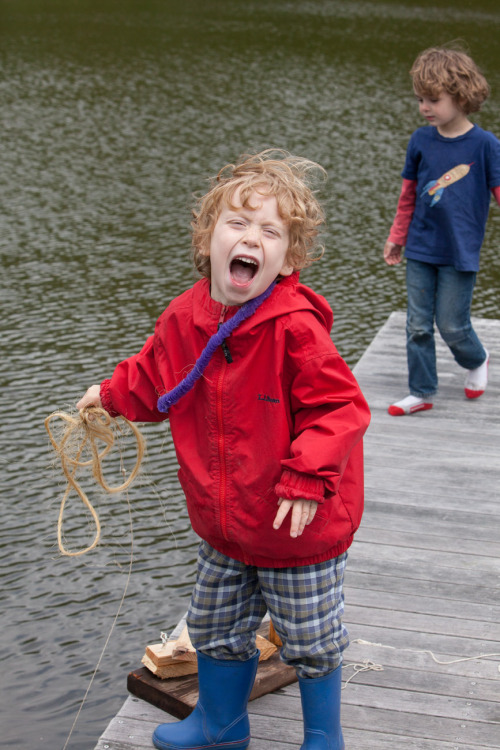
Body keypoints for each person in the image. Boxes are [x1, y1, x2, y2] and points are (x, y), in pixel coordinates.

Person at [77, 150, 370, 750]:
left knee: (310, 639)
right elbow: (154, 378)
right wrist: (108, 396)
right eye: (237, 222)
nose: (251, 238)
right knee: (213, 626)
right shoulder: (185, 318)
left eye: (271, 232)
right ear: (208, 236)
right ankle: (221, 723)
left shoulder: (294, 329)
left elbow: (339, 409)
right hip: (224, 524)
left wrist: (309, 477)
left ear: (287, 259)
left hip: (298, 527)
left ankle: (323, 737)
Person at [383, 45, 500, 416]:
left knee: (452, 324)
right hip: (420, 247)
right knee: (417, 324)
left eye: (432, 99)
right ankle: (421, 390)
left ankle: (476, 359)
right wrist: (397, 236)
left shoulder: (485, 145)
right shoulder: (420, 140)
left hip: (460, 250)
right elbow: (408, 196)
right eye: (420, 99)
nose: (424, 107)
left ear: (462, 96)